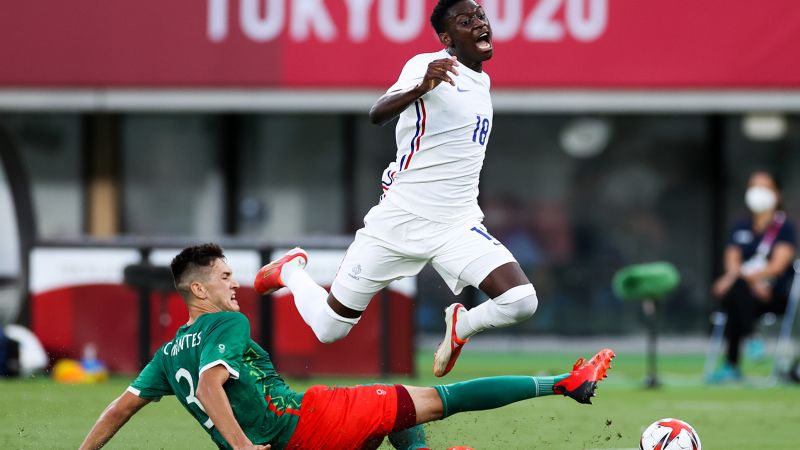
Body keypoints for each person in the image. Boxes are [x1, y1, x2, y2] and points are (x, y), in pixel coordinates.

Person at [80, 244, 614, 450]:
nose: (233, 285)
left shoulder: (168, 351)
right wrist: (243, 448)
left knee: (399, 414)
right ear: (199, 290)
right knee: (433, 400)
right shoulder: (227, 326)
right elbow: (210, 383)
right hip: (306, 426)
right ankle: (563, 384)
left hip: (295, 441)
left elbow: (121, 406)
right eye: (223, 277)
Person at [255, 0, 539, 378]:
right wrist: (423, 85)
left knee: (521, 301)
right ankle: (291, 271)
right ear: (447, 37)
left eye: (481, 17)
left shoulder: (481, 82)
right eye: (465, 21)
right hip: (398, 221)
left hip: (455, 225)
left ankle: (462, 326)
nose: (478, 24)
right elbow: (378, 113)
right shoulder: (428, 65)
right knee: (329, 329)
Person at [710, 170, 796, 382]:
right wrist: (743, 279)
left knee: (733, 293)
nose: (758, 193)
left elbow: (777, 265)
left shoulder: (785, 228)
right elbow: (732, 259)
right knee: (737, 294)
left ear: (776, 193)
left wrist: (738, 278)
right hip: (746, 294)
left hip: (773, 294)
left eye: (764, 187)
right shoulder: (740, 226)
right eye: (754, 186)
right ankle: (752, 338)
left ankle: (732, 365)